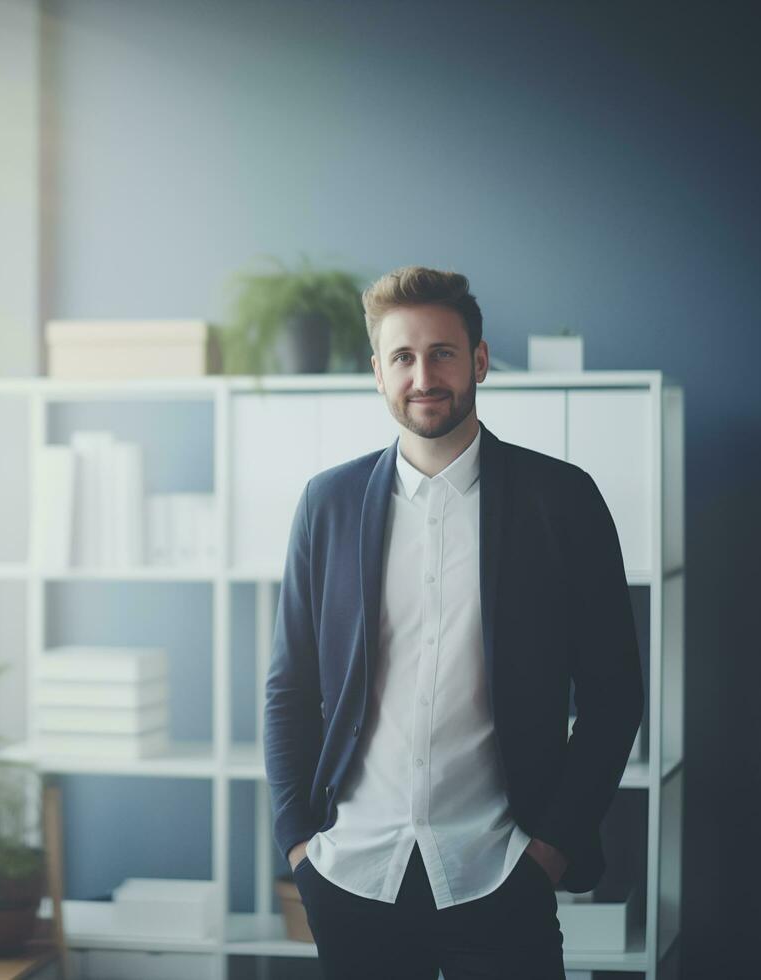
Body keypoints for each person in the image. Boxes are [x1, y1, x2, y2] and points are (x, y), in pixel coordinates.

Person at [264, 266, 644, 979]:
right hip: (351, 877)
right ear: (377, 373)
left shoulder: (561, 500)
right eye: (402, 357)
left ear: (478, 360)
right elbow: (288, 687)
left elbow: (614, 695)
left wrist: (550, 850)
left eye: (441, 352)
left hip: (499, 872)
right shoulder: (327, 504)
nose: (422, 375)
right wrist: (297, 847)